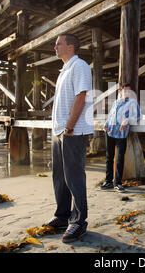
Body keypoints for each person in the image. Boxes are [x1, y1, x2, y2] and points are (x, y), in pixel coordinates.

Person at [43, 33, 94, 243]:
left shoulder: (79, 66)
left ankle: (79, 222)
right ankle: (62, 216)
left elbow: (81, 97)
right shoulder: (63, 70)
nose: (55, 47)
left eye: (58, 44)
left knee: (74, 178)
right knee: (59, 177)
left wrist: (70, 126)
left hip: (72, 131)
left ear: (71, 46)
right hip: (59, 132)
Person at [101, 83, 141, 192]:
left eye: (129, 91)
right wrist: (106, 124)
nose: (127, 92)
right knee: (109, 157)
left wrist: (127, 120)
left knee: (119, 159)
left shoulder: (132, 103)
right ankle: (108, 181)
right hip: (110, 131)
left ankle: (117, 183)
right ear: (120, 91)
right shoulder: (116, 102)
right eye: (125, 90)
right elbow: (110, 116)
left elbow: (137, 116)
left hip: (121, 133)